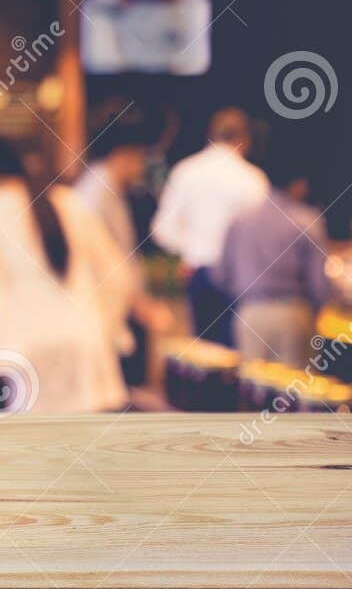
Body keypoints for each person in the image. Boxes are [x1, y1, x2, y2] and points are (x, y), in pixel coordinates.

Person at [0, 136, 131, 413]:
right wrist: (106, 328)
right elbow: (118, 276)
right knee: (86, 451)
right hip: (85, 345)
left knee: (38, 450)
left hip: (28, 351)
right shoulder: (71, 202)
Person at [151, 108, 268, 347]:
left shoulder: (186, 172)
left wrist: (191, 248)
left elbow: (162, 229)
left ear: (210, 135)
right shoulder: (254, 180)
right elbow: (261, 237)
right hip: (239, 276)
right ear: (244, 139)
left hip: (199, 272)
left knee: (202, 350)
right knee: (235, 351)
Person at [211, 149, 331, 367]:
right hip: (293, 314)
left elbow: (221, 273)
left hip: (250, 312)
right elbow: (319, 284)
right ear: (299, 184)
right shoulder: (306, 221)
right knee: (292, 390)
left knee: (253, 389)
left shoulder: (241, 219)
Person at [73, 123, 168, 384]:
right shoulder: (98, 192)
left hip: (115, 307)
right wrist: (140, 303)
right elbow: (108, 260)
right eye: (138, 158)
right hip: (107, 310)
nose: (141, 167)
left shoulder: (103, 187)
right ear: (121, 155)